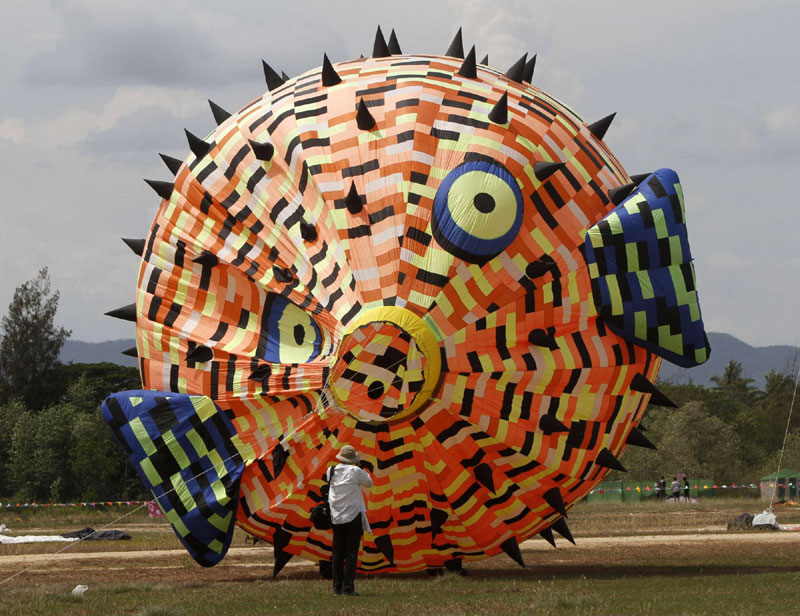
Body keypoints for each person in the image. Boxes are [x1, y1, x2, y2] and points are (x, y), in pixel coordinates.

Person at [328, 445, 373, 596]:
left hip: (336, 516)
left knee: (337, 553)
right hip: (353, 515)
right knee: (351, 553)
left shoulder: (331, 470)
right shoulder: (355, 471)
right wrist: (361, 467)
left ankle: (337, 587)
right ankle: (348, 588)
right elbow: (369, 483)